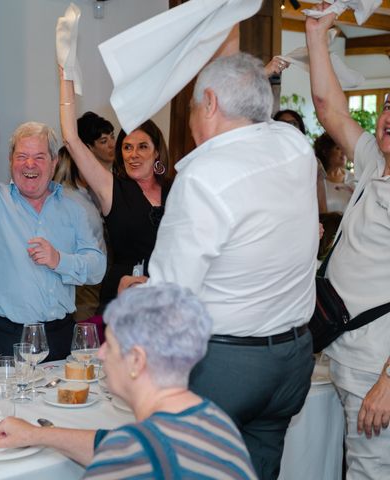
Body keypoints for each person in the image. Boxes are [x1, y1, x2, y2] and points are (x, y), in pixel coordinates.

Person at [123, 53, 318, 479]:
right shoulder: (295, 146)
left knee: (191, 469)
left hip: (228, 365)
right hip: (293, 357)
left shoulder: (204, 176)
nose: (192, 118)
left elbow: (172, 298)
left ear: (209, 103)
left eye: (193, 105)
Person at [0, 283, 257, 480]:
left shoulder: (135, 452)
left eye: (111, 345)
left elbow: (127, 451)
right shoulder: (215, 420)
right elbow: (112, 444)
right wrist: (37, 434)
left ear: (137, 361)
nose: (101, 354)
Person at [0, 107, 106, 362]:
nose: (29, 164)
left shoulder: (74, 208)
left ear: (54, 162)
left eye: (39, 157)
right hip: (7, 338)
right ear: (11, 161)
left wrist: (59, 260)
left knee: (62, 401)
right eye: (22, 156)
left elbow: (97, 267)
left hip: (61, 336)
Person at [306, 4, 390, 478]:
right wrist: (317, 35)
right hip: (342, 353)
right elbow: (328, 108)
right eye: (389, 105)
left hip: (375, 371)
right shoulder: (376, 163)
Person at [59, 66, 172, 314]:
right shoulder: (112, 189)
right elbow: (71, 139)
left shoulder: (176, 189)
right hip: (123, 297)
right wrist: (65, 74)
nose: (133, 154)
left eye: (142, 146)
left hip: (167, 295)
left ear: (156, 152)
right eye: (127, 147)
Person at [53, 146, 106, 322]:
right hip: (83, 281)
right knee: (85, 328)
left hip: (83, 276)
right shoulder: (73, 200)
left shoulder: (80, 196)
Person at [274, 109, 329, 214]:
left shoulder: (313, 162)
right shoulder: (267, 161)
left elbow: (322, 206)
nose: (288, 127)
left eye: (293, 124)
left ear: (300, 129)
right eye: (283, 123)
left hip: (304, 221)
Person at [314, 132, 356, 213]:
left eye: (343, 148)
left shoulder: (353, 178)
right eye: (337, 148)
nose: (343, 152)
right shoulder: (316, 180)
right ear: (325, 152)